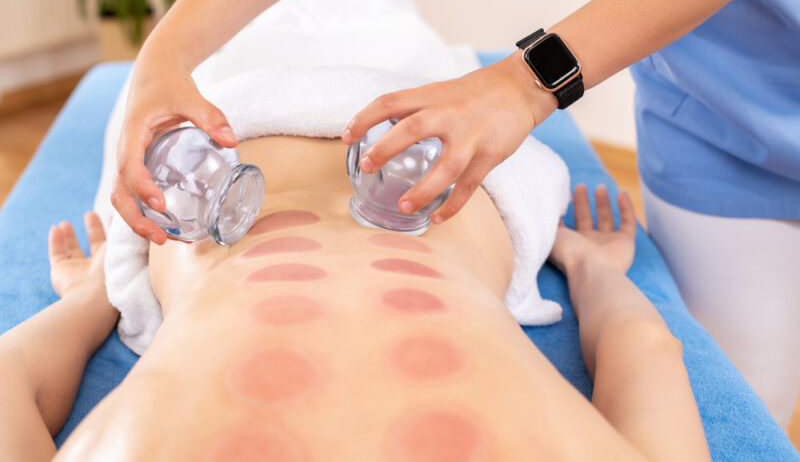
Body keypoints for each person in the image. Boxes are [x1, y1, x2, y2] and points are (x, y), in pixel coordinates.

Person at [112, 0, 800, 425]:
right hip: (714, 104)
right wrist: (165, 54)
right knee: (752, 402)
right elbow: (657, 358)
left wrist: (529, 84)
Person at [0, 134, 709, 461]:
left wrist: (101, 292)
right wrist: (97, 296)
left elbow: (645, 352)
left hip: (234, 168)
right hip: (248, 148)